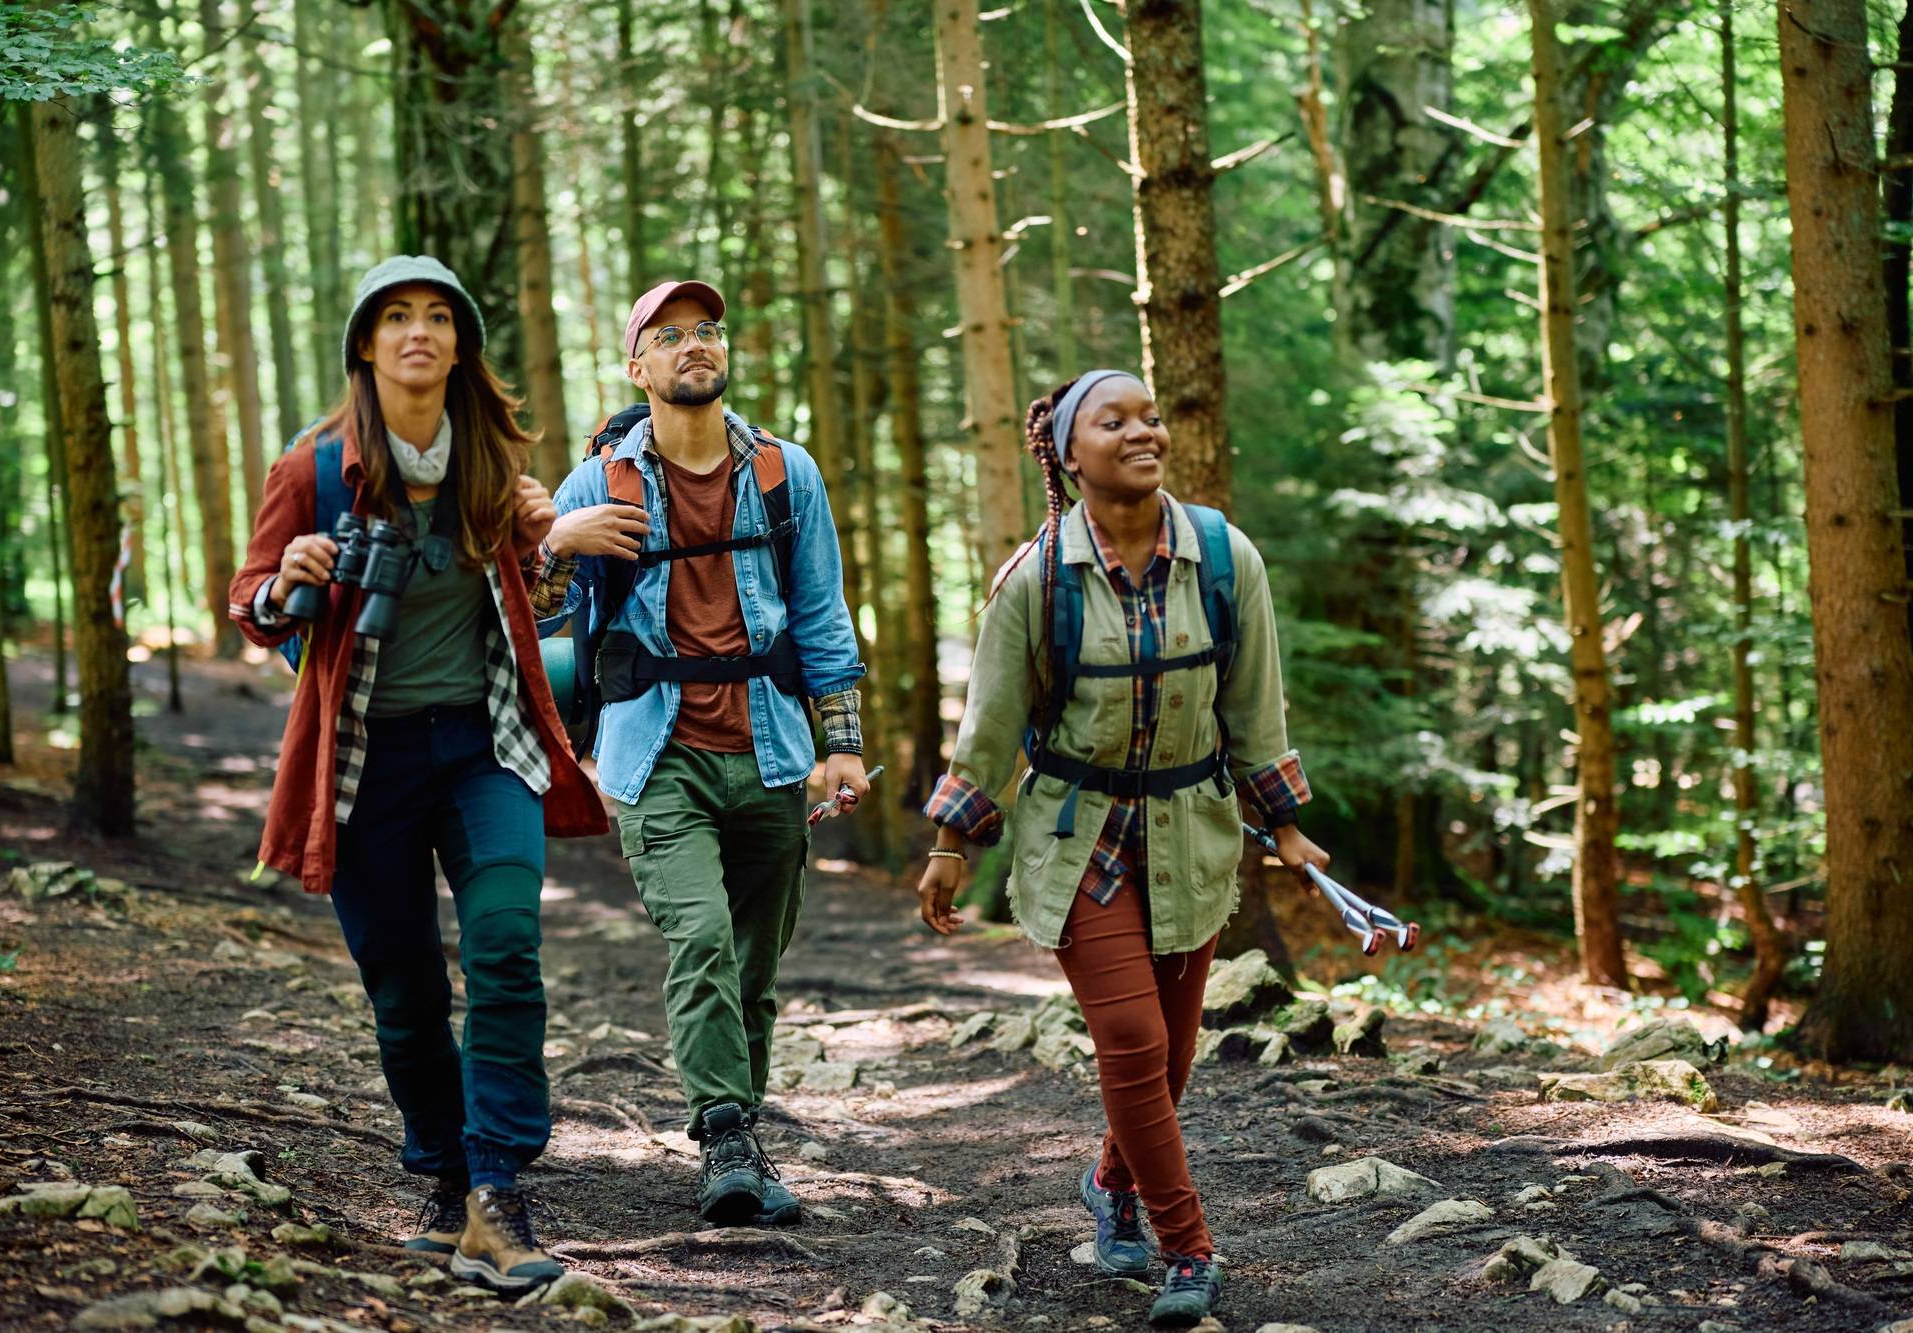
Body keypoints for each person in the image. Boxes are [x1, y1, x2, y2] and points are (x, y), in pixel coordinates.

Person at [227, 255, 608, 1297]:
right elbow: (249, 600)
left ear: (459, 343)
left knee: (503, 942)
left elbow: (542, 585)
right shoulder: (312, 466)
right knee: (401, 984)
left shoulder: (494, 460)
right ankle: (442, 1178)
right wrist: (286, 576)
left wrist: (547, 539)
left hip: (485, 746)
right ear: (364, 343)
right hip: (362, 761)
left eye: (438, 317)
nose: (418, 333)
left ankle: (496, 1187)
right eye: (396, 317)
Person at [914, 370, 1327, 1329]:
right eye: (1115, 421)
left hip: (1194, 832)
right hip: (1078, 834)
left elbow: (1255, 708)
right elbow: (989, 722)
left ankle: (1113, 1179)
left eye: (1151, 416)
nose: (1144, 431)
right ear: (1070, 453)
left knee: (1172, 1057)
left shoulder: (1225, 559)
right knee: (1134, 1041)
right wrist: (950, 842)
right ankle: (1188, 1247)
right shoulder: (1035, 580)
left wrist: (1290, 826)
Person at [533, 278, 869, 1228]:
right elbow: (528, 606)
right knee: (702, 937)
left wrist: (841, 748)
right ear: (635, 367)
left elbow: (821, 618)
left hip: (769, 749)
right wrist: (562, 537)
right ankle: (723, 1133)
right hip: (654, 751)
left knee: (755, 964)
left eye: (708, 332)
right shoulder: (598, 482)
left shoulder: (784, 473)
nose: (695, 346)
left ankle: (743, 1134)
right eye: (670, 336)